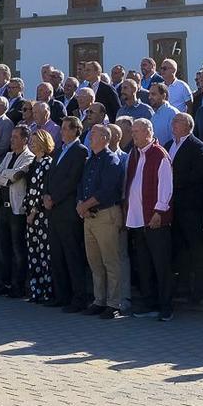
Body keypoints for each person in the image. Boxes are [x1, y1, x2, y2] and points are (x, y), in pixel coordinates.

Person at [122, 117, 174, 320]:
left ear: (148, 132)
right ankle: (149, 302)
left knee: (161, 264)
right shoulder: (135, 154)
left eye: (136, 131)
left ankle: (166, 307)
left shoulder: (159, 154)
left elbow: (165, 187)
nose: (133, 135)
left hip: (154, 218)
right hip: (137, 218)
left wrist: (159, 212)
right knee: (144, 264)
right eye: (132, 131)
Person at [76, 122, 127, 318]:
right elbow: (82, 184)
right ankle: (99, 300)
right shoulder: (91, 160)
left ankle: (114, 303)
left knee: (110, 261)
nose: (90, 137)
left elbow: (107, 190)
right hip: (89, 216)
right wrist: (81, 205)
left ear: (105, 138)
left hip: (106, 215)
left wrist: (85, 205)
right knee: (95, 262)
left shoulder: (111, 159)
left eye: (94, 134)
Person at [164, 110, 203, 306]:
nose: (173, 124)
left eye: (177, 121)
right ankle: (181, 285)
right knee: (179, 248)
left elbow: (198, 175)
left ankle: (198, 290)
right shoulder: (168, 145)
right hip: (173, 205)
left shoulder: (197, 147)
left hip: (190, 206)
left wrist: (173, 181)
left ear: (188, 126)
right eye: (173, 121)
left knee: (195, 247)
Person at [44, 115, 90, 311]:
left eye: (64, 128)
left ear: (74, 130)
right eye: (61, 128)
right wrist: (46, 194)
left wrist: (54, 197)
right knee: (57, 255)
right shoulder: (60, 150)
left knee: (72, 255)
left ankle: (79, 298)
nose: (61, 131)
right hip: (53, 210)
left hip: (67, 210)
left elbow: (72, 180)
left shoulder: (80, 151)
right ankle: (61, 295)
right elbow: (50, 175)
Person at [0, 125, 36, 299]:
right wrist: (7, 177)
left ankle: (18, 285)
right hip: (3, 207)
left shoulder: (29, 157)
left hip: (17, 209)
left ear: (25, 140)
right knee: (3, 247)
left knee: (18, 248)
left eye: (16, 137)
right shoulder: (9, 155)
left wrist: (6, 175)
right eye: (11, 136)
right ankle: (5, 282)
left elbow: (19, 175)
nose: (12, 140)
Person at [21, 129, 58, 303]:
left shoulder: (47, 163)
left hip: (41, 215)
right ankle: (36, 292)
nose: (32, 144)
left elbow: (43, 189)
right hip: (29, 214)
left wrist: (34, 211)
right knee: (33, 253)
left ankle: (47, 292)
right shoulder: (33, 163)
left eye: (35, 141)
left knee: (44, 254)